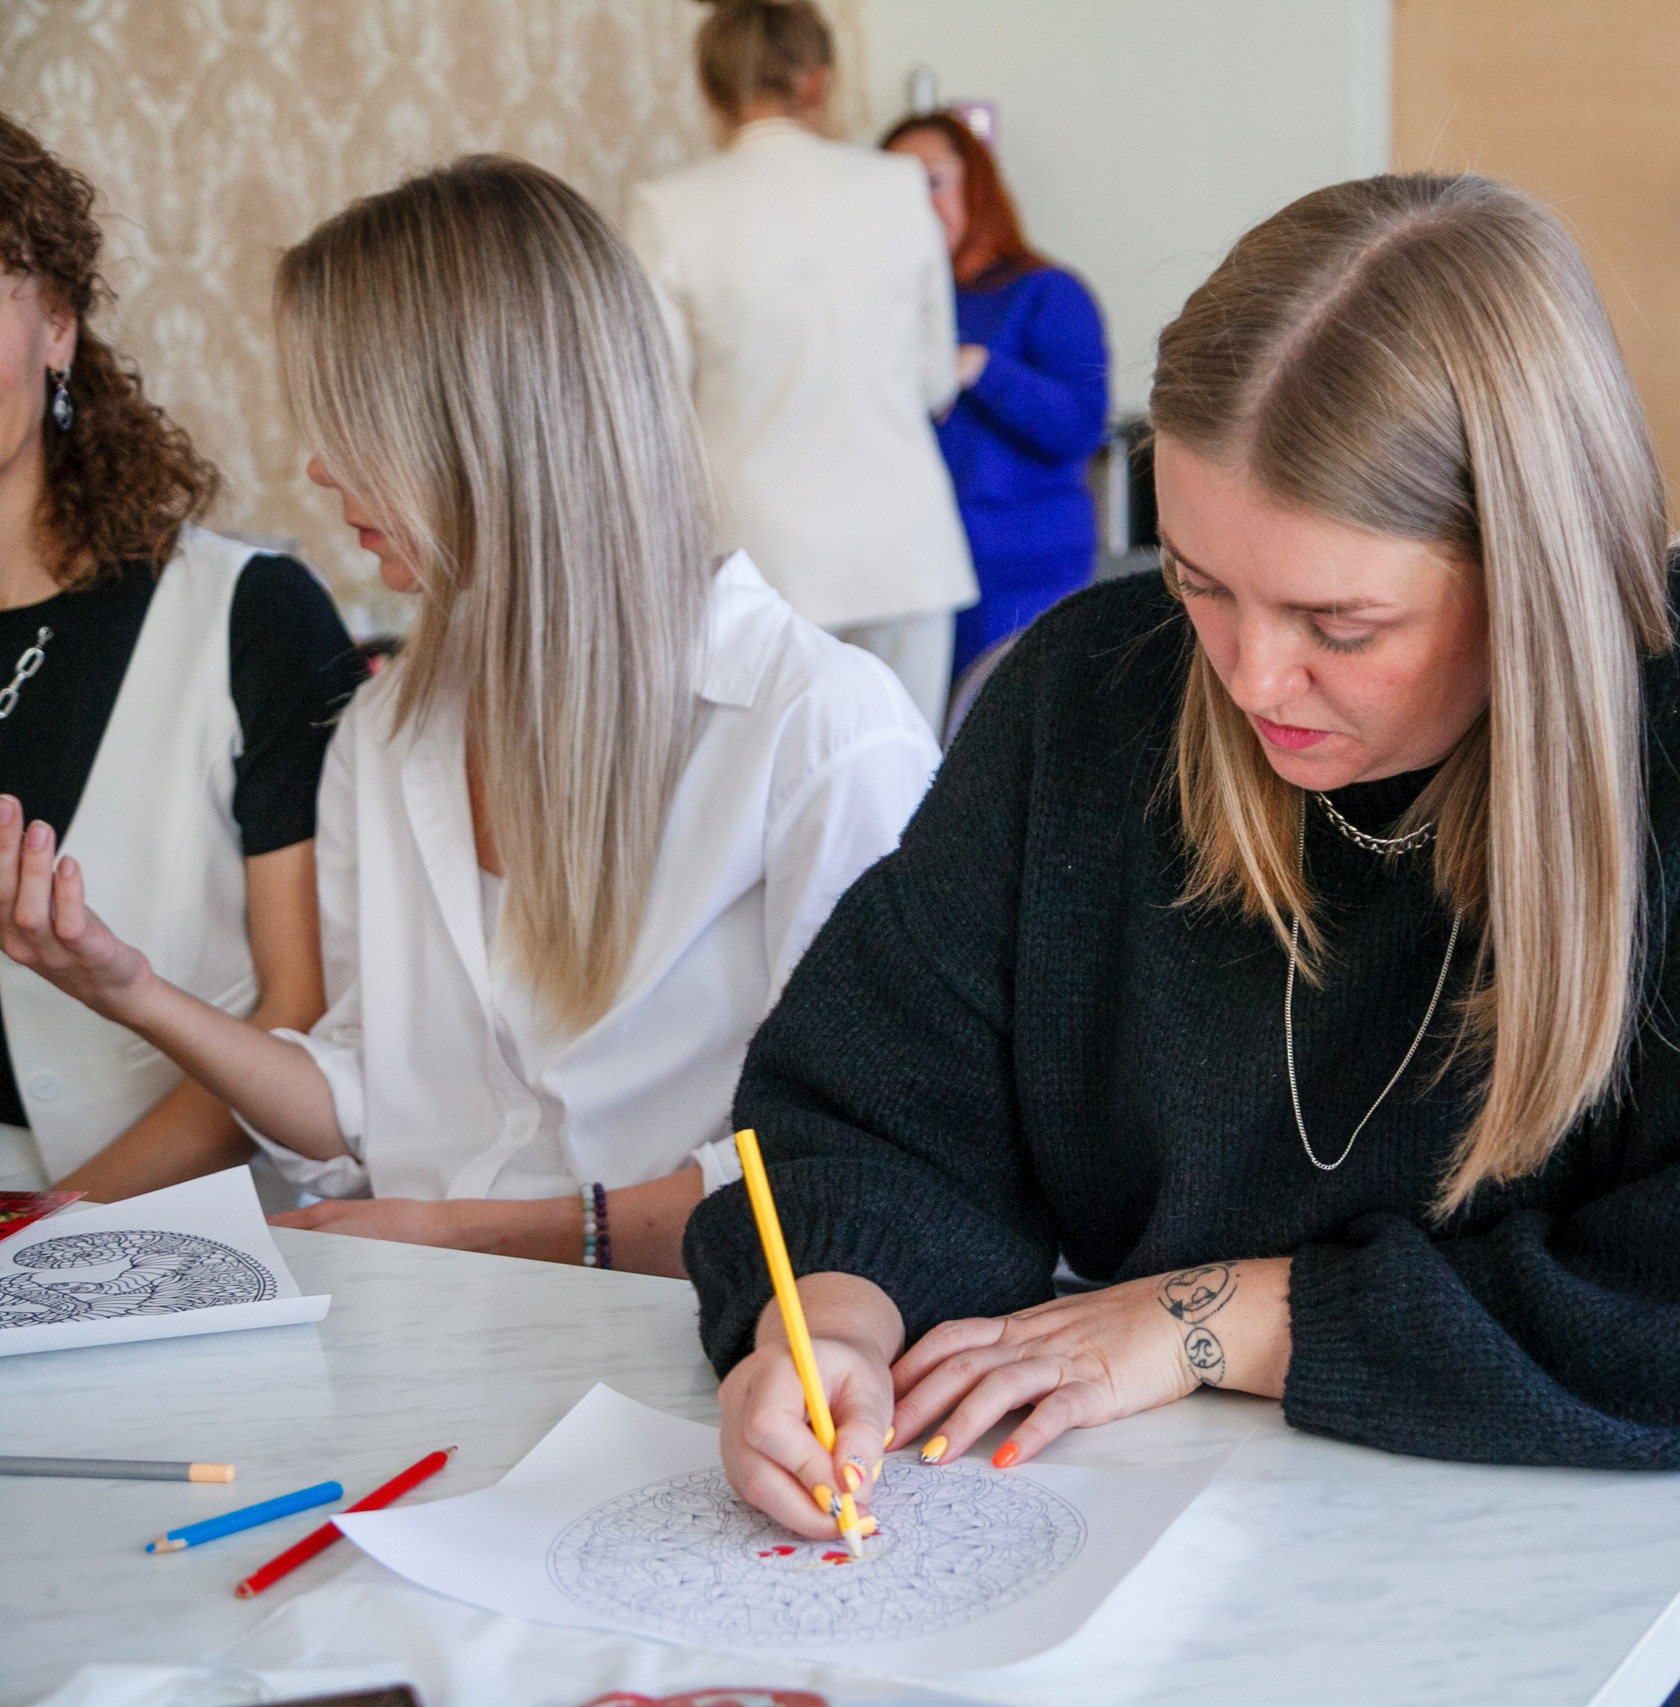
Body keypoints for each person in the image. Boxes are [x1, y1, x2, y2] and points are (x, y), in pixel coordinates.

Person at [688, 174, 1680, 1707]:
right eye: (1200, 581)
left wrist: (1217, 1318)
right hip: (1185, 1489)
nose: (1252, 676)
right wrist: (827, 1318)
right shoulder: (1089, 692)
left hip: (1635, 1516)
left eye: (1340, 624)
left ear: (1533, 566)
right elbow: (866, 1101)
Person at [0, 157, 938, 1278]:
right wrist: (133, 991)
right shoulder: (385, 732)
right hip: (429, 1318)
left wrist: (467, 1234)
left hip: (694, 1340)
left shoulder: (821, 733)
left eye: (354, 421)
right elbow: (357, 1106)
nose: (318, 466)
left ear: (488, 426)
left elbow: (856, 1171)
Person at [0, 115, 363, 1199]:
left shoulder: (252, 616)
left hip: (181, 1226)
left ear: (57, 326)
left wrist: (48, 1228)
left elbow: (301, 1011)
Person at [630, 0, 976, 729]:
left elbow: (653, 405)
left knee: (763, 785)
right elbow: (934, 379)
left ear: (712, 89)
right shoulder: (897, 187)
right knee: (908, 779)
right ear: (817, 82)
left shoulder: (670, 209)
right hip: (904, 552)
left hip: (760, 559)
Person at [881, 112, 1111, 690]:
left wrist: (981, 369)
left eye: (933, 181)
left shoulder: (1047, 292)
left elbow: (1079, 426)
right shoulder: (888, 306)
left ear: (976, 187)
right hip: (913, 572)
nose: (916, 205)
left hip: (1022, 573)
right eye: (895, 189)